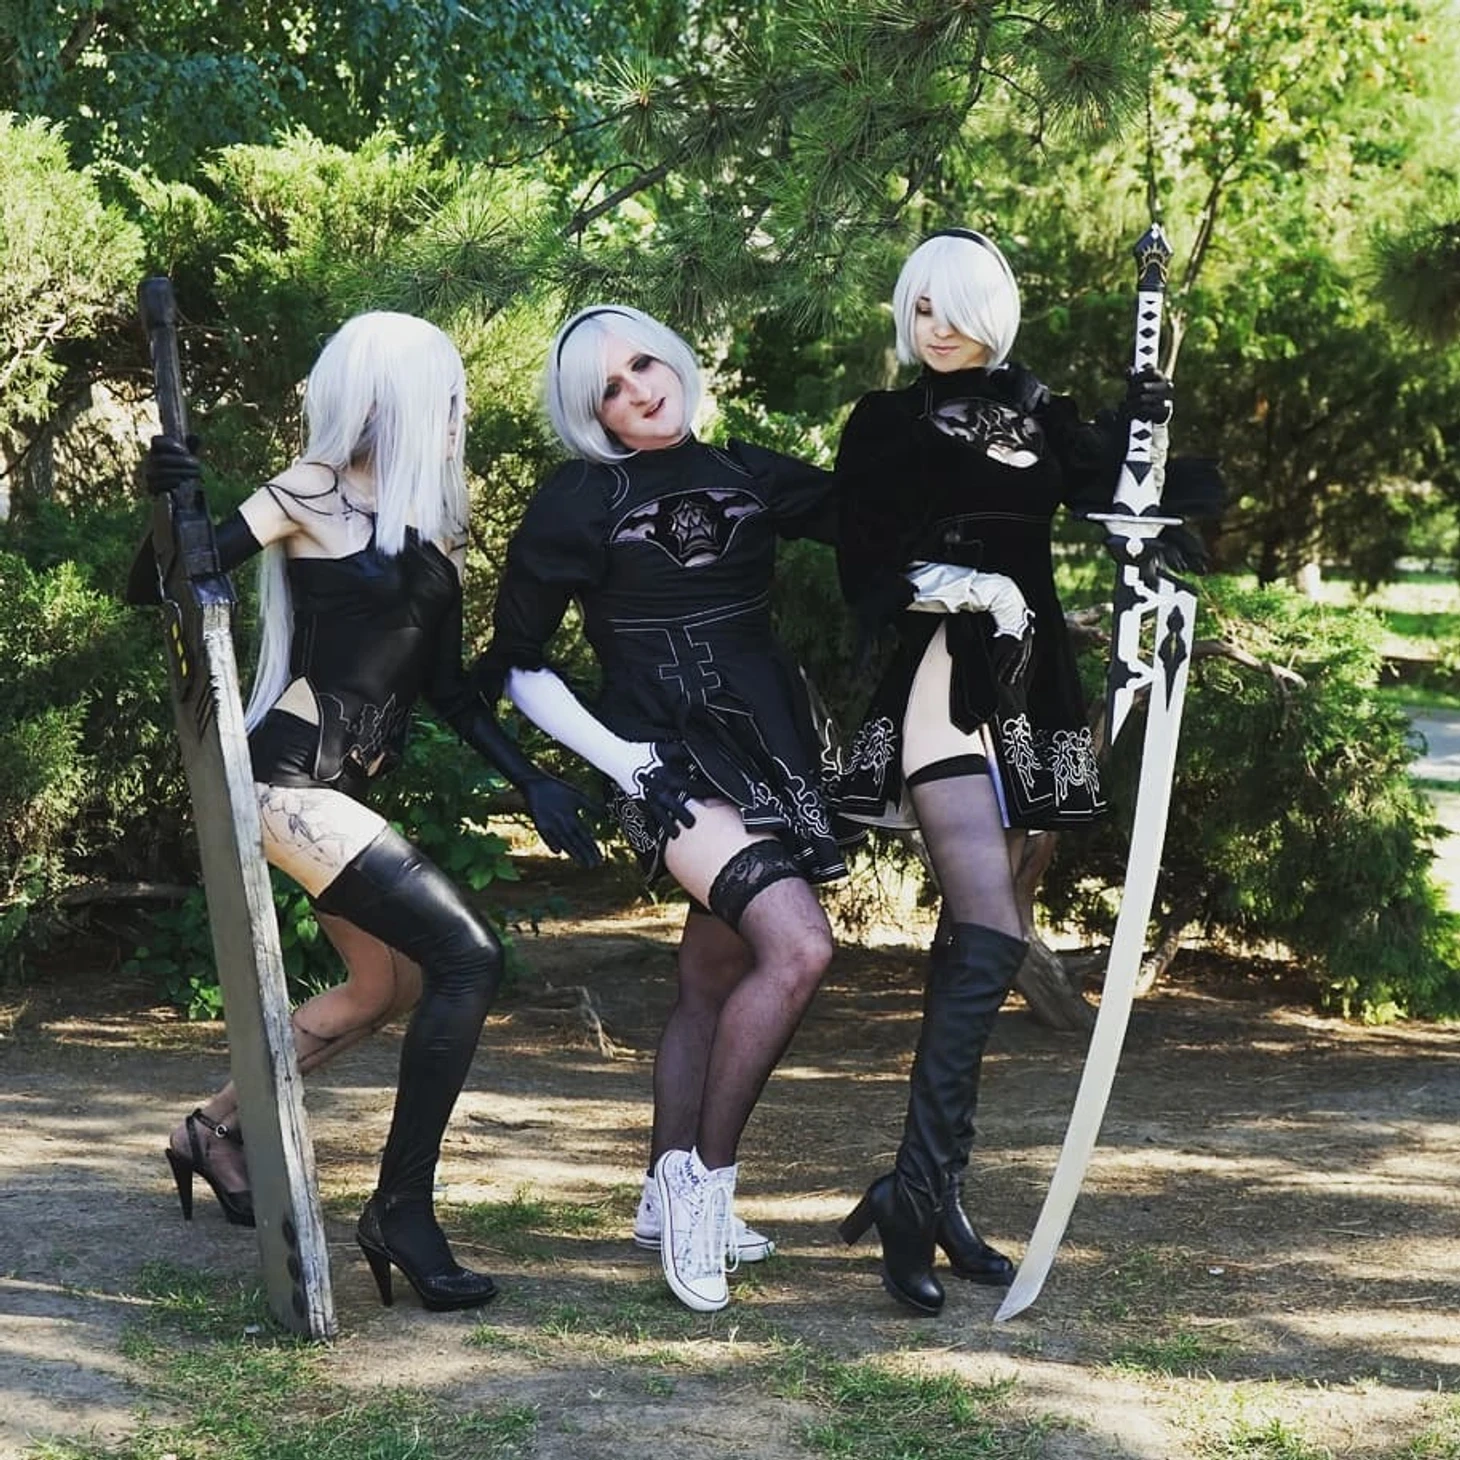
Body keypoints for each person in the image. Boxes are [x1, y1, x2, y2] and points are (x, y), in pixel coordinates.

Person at [143, 310, 601, 1312]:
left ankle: (211, 1129)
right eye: (444, 392)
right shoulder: (307, 490)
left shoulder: (434, 520)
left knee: (379, 988)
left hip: (340, 791)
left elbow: (449, 691)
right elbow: (164, 592)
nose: (457, 410)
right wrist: (173, 507)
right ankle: (402, 1211)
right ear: (391, 395)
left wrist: (530, 778)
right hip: (287, 782)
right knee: (469, 955)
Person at [831, 229, 1209, 1314]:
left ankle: (931, 1190)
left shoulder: (1042, 410)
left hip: (1028, 684)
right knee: (994, 932)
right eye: (920, 309)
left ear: (992, 311)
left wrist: (1144, 423)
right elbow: (864, 560)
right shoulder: (887, 420)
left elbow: (1122, 502)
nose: (937, 328)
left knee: (973, 932)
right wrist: (966, 587)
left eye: (956, 308)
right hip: (942, 667)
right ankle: (912, 1195)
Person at [473, 304, 852, 1313]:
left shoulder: (743, 470)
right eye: (609, 387)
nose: (638, 390)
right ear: (590, 413)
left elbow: (878, 515)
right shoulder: (578, 498)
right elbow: (518, 662)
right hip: (664, 763)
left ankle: (657, 1190)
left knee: (710, 978)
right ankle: (701, 1186)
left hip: (769, 753)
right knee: (799, 948)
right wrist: (627, 764)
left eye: (643, 363)